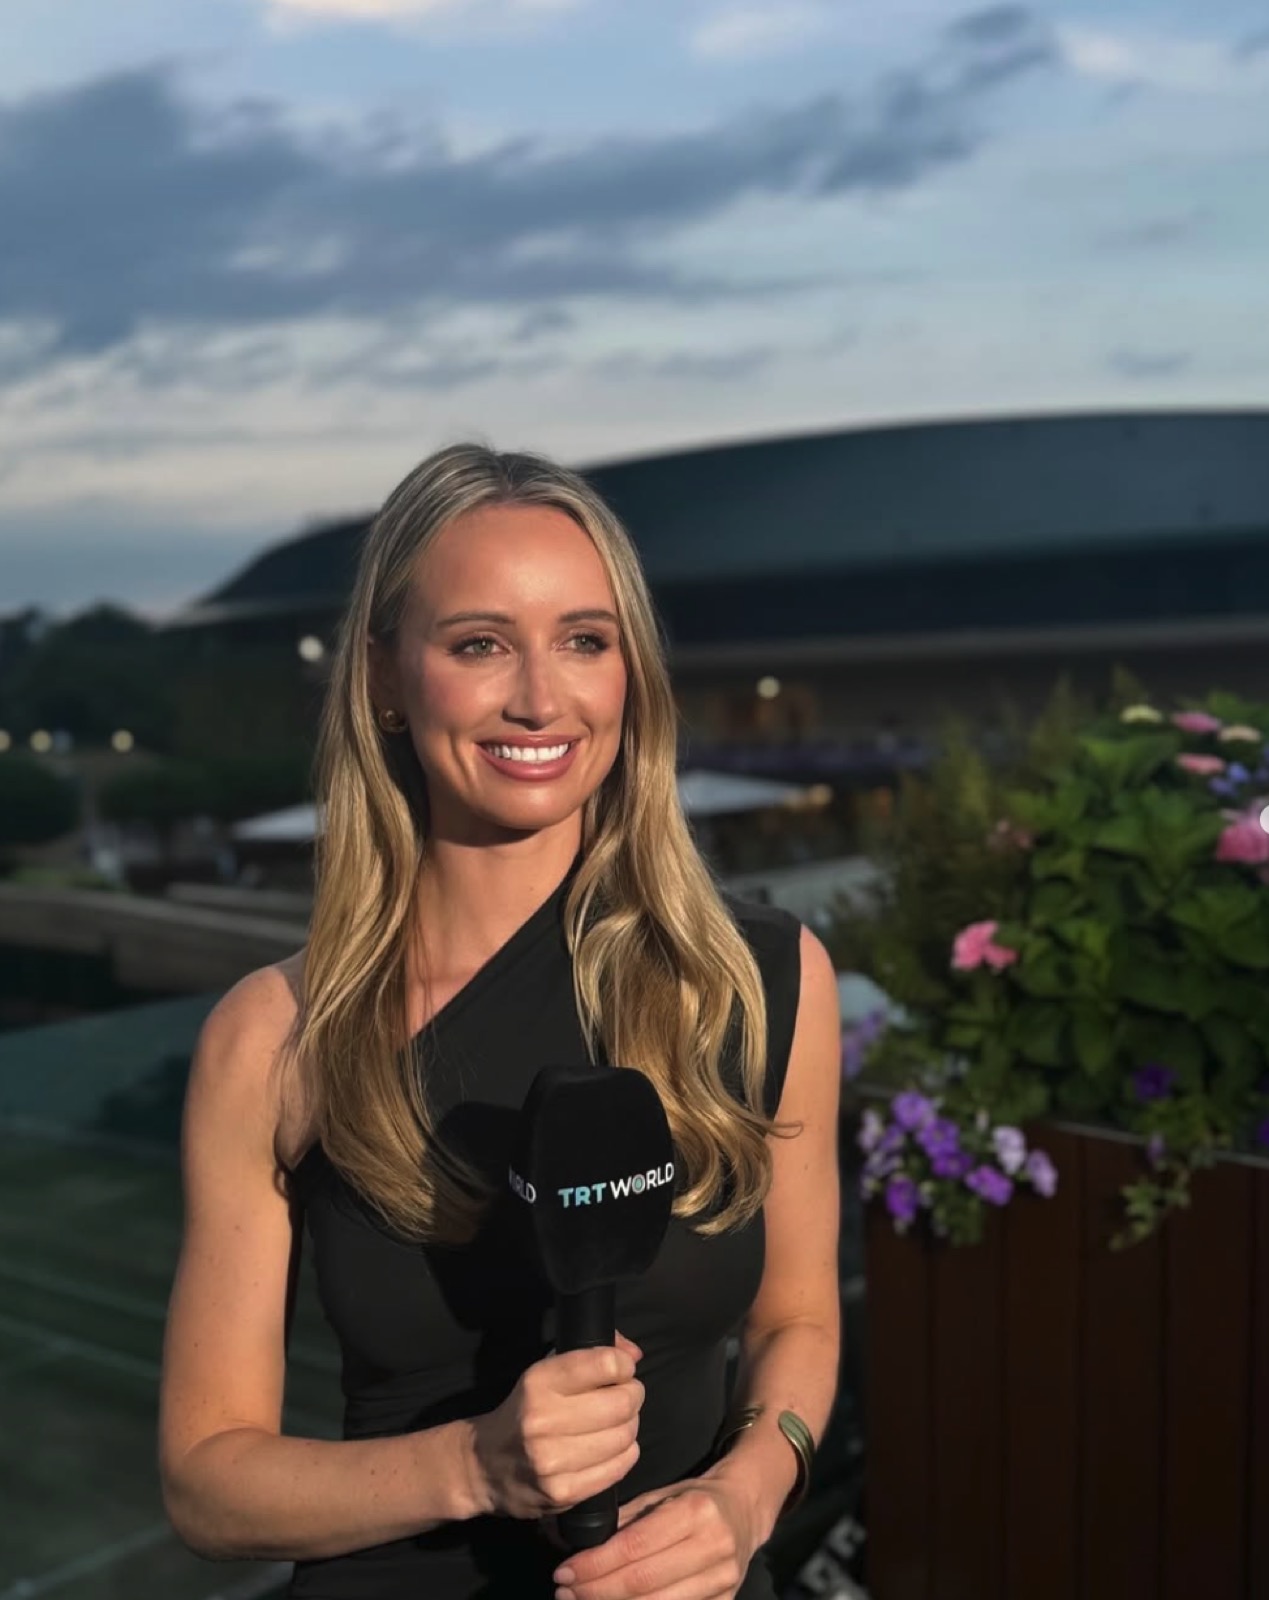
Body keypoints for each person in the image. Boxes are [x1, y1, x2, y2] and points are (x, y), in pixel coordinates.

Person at [158, 444, 841, 1600]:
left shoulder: (761, 977)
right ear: (383, 673)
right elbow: (207, 1484)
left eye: (586, 639)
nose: (540, 696)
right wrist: (475, 1464)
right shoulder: (276, 1039)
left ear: (633, 670)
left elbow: (800, 1322)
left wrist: (746, 1500)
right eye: (480, 643)